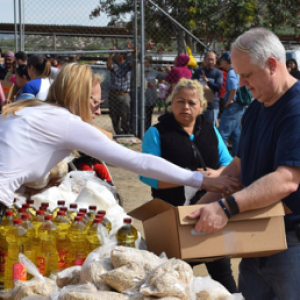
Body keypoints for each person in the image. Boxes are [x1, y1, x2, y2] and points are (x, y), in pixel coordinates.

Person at [0, 63, 241, 218]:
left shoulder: (27, 110)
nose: (96, 113)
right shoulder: (64, 121)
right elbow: (138, 162)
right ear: (78, 98)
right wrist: (200, 180)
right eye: (95, 103)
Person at [188, 27, 300, 300]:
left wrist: (225, 208)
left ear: (272, 65)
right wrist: (199, 208)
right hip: (256, 239)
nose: (242, 82)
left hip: (292, 244)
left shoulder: (296, 109)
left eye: (247, 75)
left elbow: (287, 178)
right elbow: (239, 166)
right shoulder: (256, 109)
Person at [139, 78, 236, 293]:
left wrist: (216, 174)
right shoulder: (157, 133)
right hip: (173, 217)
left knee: (223, 275)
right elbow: (147, 176)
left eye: (192, 103)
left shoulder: (211, 130)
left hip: (211, 215)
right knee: (171, 280)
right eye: (180, 101)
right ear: (171, 103)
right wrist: (190, 178)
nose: (185, 107)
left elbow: (228, 162)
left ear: (201, 106)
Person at [218, 52, 244, 156]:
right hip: (239, 107)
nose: (221, 64)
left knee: (222, 135)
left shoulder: (231, 72)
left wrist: (229, 100)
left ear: (225, 61)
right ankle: (236, 160)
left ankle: (223, 159)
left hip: (232, 107)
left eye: (222, 62)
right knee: (236, 135)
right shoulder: (238, 71)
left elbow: (233, 87)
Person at [192, 51, 223, 125]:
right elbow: (192, 85)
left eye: (212, 59)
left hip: (212, 107)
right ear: (205, 60)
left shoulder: (218, 73)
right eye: (209, 59)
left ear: (215, 61)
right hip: (199, 106)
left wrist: (207, 81)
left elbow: (218, 88)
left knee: (210, 128)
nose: (210, 61)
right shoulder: (198, 72)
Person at [107, 46, 132, 134]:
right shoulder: (113, 63)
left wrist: (131, 50)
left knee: (125, 114)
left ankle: (126, 131)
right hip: (113, 94)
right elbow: (109, 66)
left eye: (117, 53)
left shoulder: (127, 64)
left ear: (122, 55)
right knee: (114, 115)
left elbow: (134, 61)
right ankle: (118, 132)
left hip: (124, 94)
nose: (115, 54)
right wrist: (110, 54)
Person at [144, 57, 169, 131]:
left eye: (148, 62)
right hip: (141, 97)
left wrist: (169, 71)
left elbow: (165, 76)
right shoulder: (138, 71)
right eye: (145, 62)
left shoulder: (153, 72)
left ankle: (147, 131)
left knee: (148, 116)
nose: (146, 64)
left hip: (151, 97)